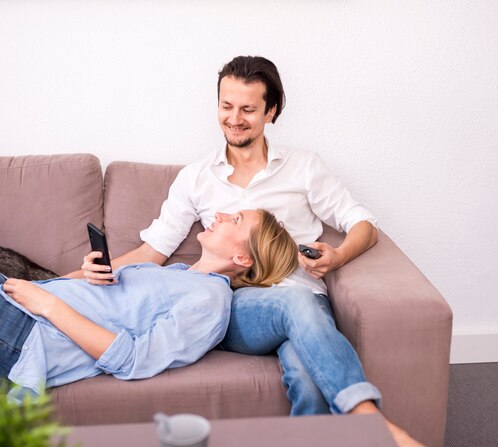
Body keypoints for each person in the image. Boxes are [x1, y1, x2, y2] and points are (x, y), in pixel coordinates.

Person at [77, 56, 421, 446]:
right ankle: (372, 424)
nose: (234, 119)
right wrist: (78, 274)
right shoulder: (195, 177)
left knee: (309, 381)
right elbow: (152, 252)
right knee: (293, 305)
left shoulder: (303, 167)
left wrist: (338, 257)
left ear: (271, 111)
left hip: (305, 296)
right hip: (236, 306)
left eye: (248, 109)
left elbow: (363, 225)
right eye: (226, 106)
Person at [0, 203, 296, 400]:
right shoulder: (177, 274)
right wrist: (83, 277)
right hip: (15, 300)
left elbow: (133, 359)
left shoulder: (209, 304)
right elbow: (102, 302)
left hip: (19, 342)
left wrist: (49, 304)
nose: (222, 214)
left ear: (242, 258)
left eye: (236, 220)